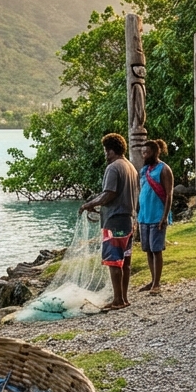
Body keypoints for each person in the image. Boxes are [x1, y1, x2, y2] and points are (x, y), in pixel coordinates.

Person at [78, 133, 138, 311]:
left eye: (106, 150)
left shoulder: (113, 167)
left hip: (114, 222)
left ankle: (118, 300)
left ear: (111, 150)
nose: (105, 154)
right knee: (125, 262)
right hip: (128, 220)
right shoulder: (130, 167)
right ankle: (123, 298)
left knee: (113, 261)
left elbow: (109, 193)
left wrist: (89, 204)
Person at [136, 138, 174, 295]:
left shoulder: (164, 169)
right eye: (143, 152)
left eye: (147, 152)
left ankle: (157, 284)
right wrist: (137, 212)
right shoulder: (143, 171)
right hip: (144, 216)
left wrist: (164, 217)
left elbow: (169, 193)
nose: (144, 155)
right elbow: (141, 192)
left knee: (157, 250)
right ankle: (153, 280)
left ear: (155, 152)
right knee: (148, 250)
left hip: (157, 215)